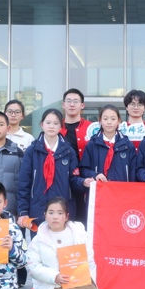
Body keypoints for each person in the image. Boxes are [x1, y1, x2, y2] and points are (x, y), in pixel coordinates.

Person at [26, 197, 105, 289]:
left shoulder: (78, 234)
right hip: (55, 285)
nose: (55, 217)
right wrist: (54, 276)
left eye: (60, 213)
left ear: (66, 216)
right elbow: (32, 266)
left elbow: (89, 257)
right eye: (51, 213)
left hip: (78, 280)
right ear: (45, 215)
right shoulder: (38, 240)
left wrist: (86, 276)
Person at [17, 109, 85, 230]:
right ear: (42, 125)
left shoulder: (68, 151)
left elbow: (73, 179)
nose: (51, 126)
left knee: (62, 241)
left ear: (61, 126)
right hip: (37, 208)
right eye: (48, 123)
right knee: (39, 241)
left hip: (63, 209)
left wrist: (83, 182)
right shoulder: (32, 150)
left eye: (55, 123)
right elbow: (24, 183)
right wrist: (23, 211)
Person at [60, 88, 93, 225]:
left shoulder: (92, 128)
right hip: (62, 181)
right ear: (63, 105)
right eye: (68, 101)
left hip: (86, 180)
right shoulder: (56, 127)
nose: (72, 104)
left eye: (75, 101)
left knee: (84, 221)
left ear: (82, 105)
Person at [80, 104, 136, 183]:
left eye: (113, 119)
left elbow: (134, 171)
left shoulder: (127, 145)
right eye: (105, 119)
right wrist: (95, 175)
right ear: (100, 120)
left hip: (122, 189)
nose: (109, 122)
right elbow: (83, 169)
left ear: (119, 121)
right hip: (100, 188)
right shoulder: (92, 145)